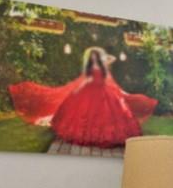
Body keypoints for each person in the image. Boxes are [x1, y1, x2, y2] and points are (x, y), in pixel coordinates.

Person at [8, 47, 158, 148]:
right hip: (90, 91)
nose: (94, 58)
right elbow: (85, 80)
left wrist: (101, 55)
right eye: (92, 56)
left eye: (95, 56)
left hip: (103, 92)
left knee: (107, 115)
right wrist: (77, 90)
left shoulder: (103, 65)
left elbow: (111, 58)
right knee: (86, 114)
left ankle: (108, 135)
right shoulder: (91, 68)